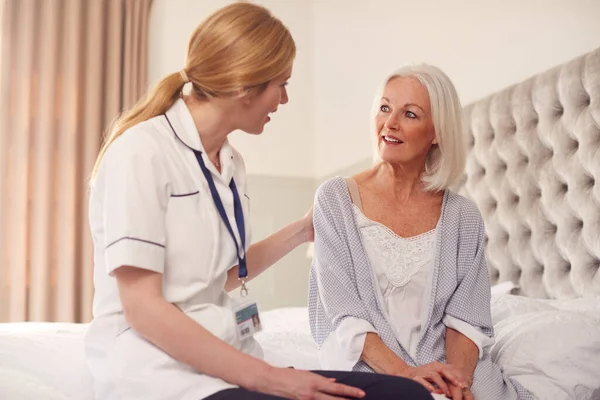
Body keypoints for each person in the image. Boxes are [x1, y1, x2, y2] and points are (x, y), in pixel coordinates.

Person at [84, 3, 433, 400]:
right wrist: (266, 378)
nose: (283, 99)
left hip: (225, 358)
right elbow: (143, 308)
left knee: (405, 395)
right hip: (158, 371)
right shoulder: (141, 153)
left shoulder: (230, 163)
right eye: (280, 84)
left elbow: (220, 277)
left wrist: (303, 230)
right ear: (243, 86)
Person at [307, 64, 534, 400]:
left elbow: (466, 318)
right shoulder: (335, 199)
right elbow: (344, 312)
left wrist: (459, 384)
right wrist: (407, 376)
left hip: (448, 369)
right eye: (385, 108)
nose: (390, 123)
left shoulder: (463, 216)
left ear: (437, 132)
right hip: (366, 364)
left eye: (409, 114)